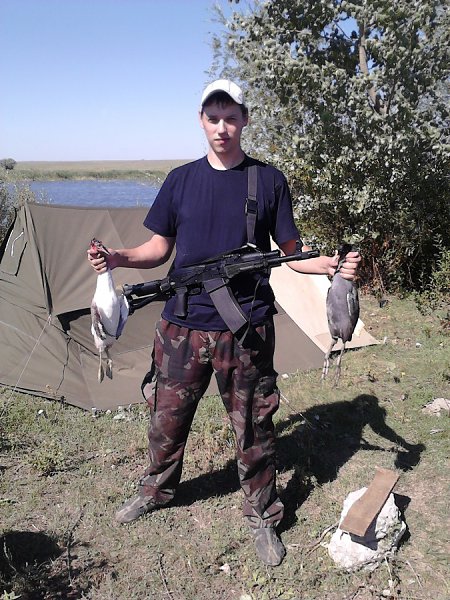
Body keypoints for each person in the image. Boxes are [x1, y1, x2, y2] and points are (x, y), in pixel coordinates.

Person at [87, 79, 361, 566]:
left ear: (244, 120)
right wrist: (117, 258)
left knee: (254, 425)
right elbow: (159, 248)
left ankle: (262, 515)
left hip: (246, 328)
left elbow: (291, 251)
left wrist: (329, 266)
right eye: (213, 118)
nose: (222, 127)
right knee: (165, 417)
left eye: (231, 118)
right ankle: (156, 490)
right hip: (181, 324)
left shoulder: (267, 180)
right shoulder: (180, 180)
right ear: (201, 120)